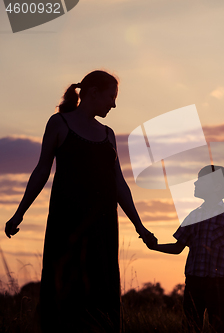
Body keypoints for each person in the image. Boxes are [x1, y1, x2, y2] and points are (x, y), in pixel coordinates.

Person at [4, 70, 156, 333]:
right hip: (67, 223)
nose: (114, 104)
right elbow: (42, 170)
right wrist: (20, 213)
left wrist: (140, 227)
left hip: (104, 226)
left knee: (101, 291)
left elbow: (119, 184)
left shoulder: (108, 135)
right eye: (111, 96)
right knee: (65, 289)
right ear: (93, 93)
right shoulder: (59, 123)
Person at [148, 165, 224, 333]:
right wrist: (154, 246)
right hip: (193, 281)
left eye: (200, 181)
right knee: (191, 324)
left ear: (215, 187)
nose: (195, 184)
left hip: (218, 282)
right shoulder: (194, 215)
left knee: (218, 325)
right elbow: (178, 247)